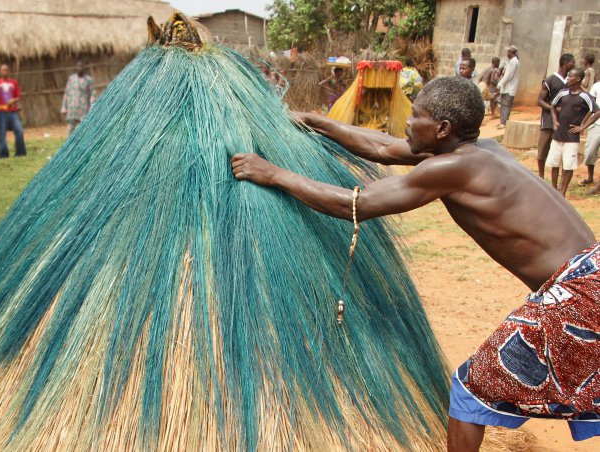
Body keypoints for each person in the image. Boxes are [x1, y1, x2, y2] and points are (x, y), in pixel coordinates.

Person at [231, 76, 600, 450]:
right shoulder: (481, 150)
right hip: (591, 274)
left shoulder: (452, 169)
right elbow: (382, 146)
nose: (406, 120)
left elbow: (354, 204)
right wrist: (310, 120)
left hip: (579, 293)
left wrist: (273, 174)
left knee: (472, 390)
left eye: (416, 115)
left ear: (441, 129)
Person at [546, 68, 600, 196]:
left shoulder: (585, 96)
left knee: (568, 166)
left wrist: (583, 127)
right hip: (558, 134)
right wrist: (554, 121)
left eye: (570, 76)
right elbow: (552, 105)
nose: (568, 78)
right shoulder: (562, 93)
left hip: (571, 137)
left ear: (578, 79)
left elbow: (597, 111)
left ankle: (562, 192)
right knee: (554, 163)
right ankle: (554, 189)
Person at [537, 53, 575, 179]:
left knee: (560, 150)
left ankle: (556, 180)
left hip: (565, 120)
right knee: (543, 149)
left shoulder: (571, 82)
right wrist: (553, 108)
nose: (574, 64)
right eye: (572, 62)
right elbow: (539, 101)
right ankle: (541, 177)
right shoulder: (550, 80)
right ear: (565, 63)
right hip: (548, 119)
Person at [0, 64, 26, 158]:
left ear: (8, 71)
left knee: (19, 131)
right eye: (2, 70)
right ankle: (3, 154)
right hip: (2, 112)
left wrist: (13, 100)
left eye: (6, 70)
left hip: (13, 112)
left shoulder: (14, 82)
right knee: (2, 133)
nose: (4, 72)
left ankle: (20, 153)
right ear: (0, 72)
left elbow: (19, 96)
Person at [61, 61, 95, 136]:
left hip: (83, 109)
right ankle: (69, 145)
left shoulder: (88, 80)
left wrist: (92, 106)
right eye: (78, 66)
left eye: (81, 66)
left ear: (84, 68)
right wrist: (64, 107)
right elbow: (66, 93)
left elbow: (92, 94)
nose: (80, 68)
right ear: (76, 67)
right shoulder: (71, 79)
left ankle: (80, 146)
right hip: (72, 108)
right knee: (71, 128)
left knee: (82, 129)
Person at [496, 45, 520, 129]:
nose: (507, 53)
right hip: (508, 87)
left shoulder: (514, 62)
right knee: (504, 104)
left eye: (508, 52)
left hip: (509, 87)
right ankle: (503, 121)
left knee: (506, 105)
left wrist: (500, 83)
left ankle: (504, 123)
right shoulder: (512, 61)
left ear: (511, 52)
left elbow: (508, 75)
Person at [583, 79, 600, 193]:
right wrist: (584, 122)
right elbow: (592, 106)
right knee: (590, 152)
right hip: (596, 123)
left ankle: (598, 187)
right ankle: (590, 177)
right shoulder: (596, 86)